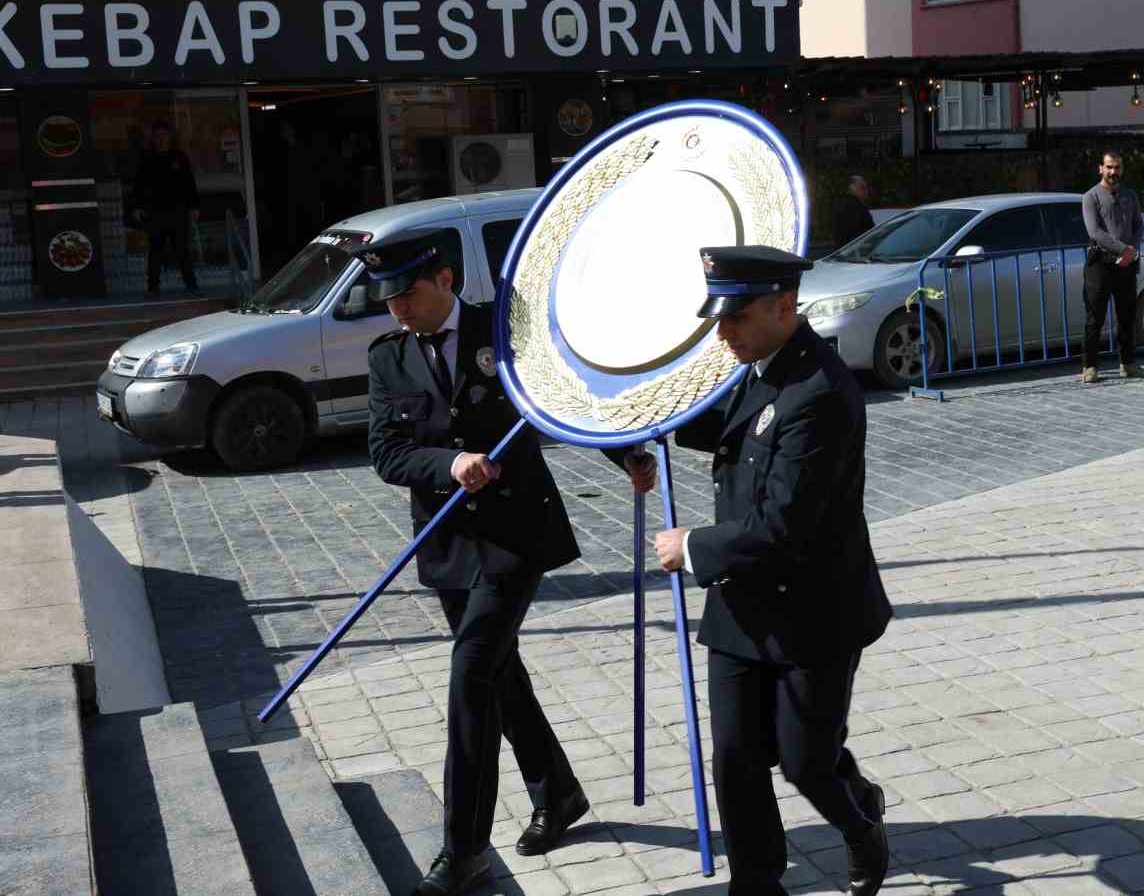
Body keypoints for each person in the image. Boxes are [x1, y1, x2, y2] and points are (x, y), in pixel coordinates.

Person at [364, 230, 656, 896]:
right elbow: (387, 451)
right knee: (500, 672)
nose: (398, 309)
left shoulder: (505, 329)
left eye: (408, 293)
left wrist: (627, 455)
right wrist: (449, 464)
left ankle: (464, 848)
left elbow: (567, 396)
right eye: (388, 299)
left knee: (472, 672)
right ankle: (558, 792)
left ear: (445, 280)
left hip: (515, 533)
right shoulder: (388, 358)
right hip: (447, 541)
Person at [654, 245, 893, 896]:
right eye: (719, 318)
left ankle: (861, 819)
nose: (722, 332)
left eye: (735, 317)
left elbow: (782, 527)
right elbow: (727, 428)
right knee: (735, 758)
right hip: (742, 603)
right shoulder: (761, 365)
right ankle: (756, 884)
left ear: (784, 306)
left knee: (806, 762)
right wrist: (644, 424)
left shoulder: (821, 391)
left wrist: (692, 547)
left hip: (813, 612)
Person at [1081, 150, 1144, 383]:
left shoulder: (1130, 195)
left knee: (1127, 317)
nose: (1113, 171)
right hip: (1100, 264)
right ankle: (1090, 367)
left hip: (1126, 264)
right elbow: (1095, 231)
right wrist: (1123, 249)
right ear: (1101, 168)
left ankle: (1128, 364)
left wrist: (1132, 250)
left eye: (1117, 167)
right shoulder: (1091, 196)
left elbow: (1139, 226)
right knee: (1095, 318)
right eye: (1109, 167)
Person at [134, 120, 200, 294]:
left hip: (178, 210)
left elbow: (189, 183)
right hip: (155, 211)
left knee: (182, 249)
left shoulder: (179, 157)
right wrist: (137, 207)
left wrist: (194, 206)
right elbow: (139, 185)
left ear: (170, 137)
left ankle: (191, 284)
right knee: (156, 249)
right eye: (158, 135)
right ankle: (153, 286)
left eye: (164, 135)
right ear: (153, 138)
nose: (161, 139)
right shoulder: (147, 159)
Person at [831, 175, 877, 248]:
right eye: (862, 188)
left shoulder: (847, 203)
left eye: (866, 188)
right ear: (852, 188)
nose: (866, 191)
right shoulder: (852, 206)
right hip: (854, 249)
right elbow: (853, 234)